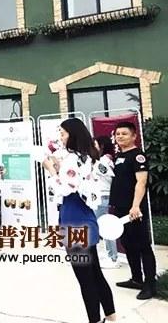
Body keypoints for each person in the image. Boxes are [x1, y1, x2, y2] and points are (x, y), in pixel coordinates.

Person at [42, 118, 115, 323]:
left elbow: (65, 188)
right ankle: (110, 313)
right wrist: (59, 167)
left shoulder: (73, 159)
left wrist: (51, 170)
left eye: (63, 135)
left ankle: (95, 319)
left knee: (85, 279)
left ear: (72, 136)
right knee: (95, 273)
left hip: (74, 222)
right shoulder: (87, 157)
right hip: (85, 219)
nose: (61, 138)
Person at [110, 120, 157, 300]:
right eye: (118, 134)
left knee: (142, 245)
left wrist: (135, 205)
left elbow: (141, 182)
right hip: (121, 209)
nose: (120, 136)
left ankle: (149, 284)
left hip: (134, 210)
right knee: (128, 245)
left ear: (134, 136)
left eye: (124, 134)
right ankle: (136, 278)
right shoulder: (117, 157)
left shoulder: (138, 156)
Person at [92, 136, 119, 269]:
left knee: (105, 227)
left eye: (95, 144)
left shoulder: (104, 160)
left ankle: (113, 257)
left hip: (103, 196)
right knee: (103, 226)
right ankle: (110, 254)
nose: (93, 147)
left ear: (102, 146)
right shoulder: (102, 160)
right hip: (100, 196)